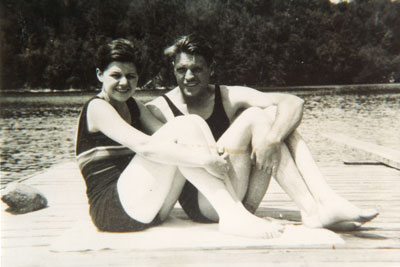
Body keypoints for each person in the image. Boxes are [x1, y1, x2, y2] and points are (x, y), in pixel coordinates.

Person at [146, 33, 378, 230]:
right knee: (257, 116)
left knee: (275, 120)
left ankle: (323, 200)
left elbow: (293, 103)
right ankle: (313, 208)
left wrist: (272, 139)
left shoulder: (226, 96)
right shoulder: (159, 108)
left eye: (197, 69)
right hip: (207, 204)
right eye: (182, 69)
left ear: (211, 69)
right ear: (173, 70)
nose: (189, 77)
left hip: (243, 199)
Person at [75, 38, 284, 238]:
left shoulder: (134, 107)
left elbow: (176, 136)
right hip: (111, 211)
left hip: (152, 211)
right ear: (99, 74)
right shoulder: (97, 107)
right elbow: (145, 146)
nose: (124, 82)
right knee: (184, 125)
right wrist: (205, 160)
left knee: (191, 122)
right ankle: (232, 215)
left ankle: (234, 212)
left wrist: (209, 149)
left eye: (131, 76)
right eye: (116, 75)